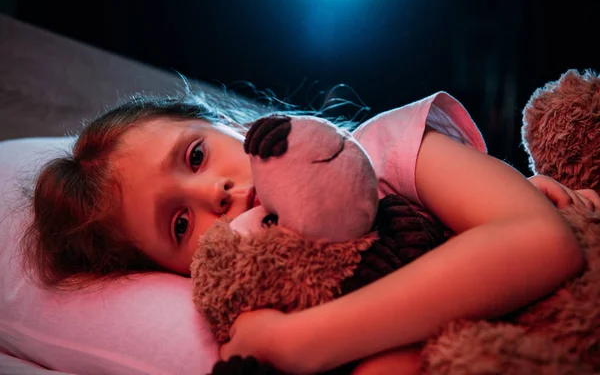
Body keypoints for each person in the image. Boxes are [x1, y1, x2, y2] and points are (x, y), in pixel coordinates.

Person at [20, 89, 597, 374]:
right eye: (178, 224)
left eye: (196, 156)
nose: (213, 195)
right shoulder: (263, 311)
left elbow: (543, 244)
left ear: (228, 123)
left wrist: (303, 344)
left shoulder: (382, 152)